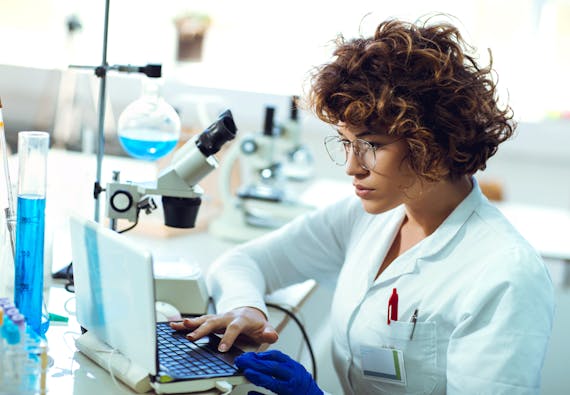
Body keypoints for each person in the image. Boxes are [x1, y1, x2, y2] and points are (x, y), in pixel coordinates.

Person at [171, 17, 555, 394]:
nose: (352, 167)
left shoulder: (504, 275)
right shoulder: (369, 216)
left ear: (434, 146)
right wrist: (246, 309)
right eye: (345, 142)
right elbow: (242, 262)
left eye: (372, 145)